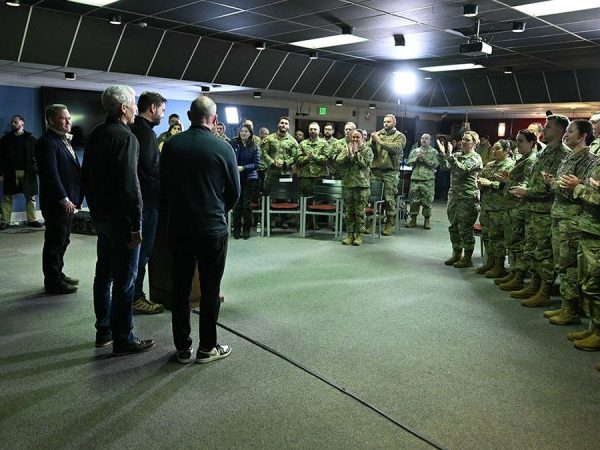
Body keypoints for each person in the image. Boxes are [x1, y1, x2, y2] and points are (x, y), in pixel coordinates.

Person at [160, 96, 240, 364]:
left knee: (180, 288)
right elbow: (234, 192)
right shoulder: (223, 147)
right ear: (214, 119)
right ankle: (207, 348)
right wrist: (217, 209)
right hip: (212, 229)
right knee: (210, 289)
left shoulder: (171, 145)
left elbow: (163, 187)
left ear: (188, 116)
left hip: (179, 227)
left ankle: (182, 348)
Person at [82, 85, 154, 354]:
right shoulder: (126, 138)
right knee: (125, 281)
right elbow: (130, 186)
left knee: (103, 276)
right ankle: (124, 338)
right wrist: (136, 225)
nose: (135, 108)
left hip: (102, 218)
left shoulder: (96, 134)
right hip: (123, 222)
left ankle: (104, 332)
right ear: (123, 108)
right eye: (133, 104)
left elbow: (86, 177)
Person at [509, 115, 571, 308]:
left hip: (545, 211)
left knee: (544, 253)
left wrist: (527, 191)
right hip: (532, 208)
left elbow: (550, 186)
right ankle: (534, 286)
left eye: (548, 127)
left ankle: (544, 292)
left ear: (560, 130)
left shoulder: (563, 154)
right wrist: (525, 189)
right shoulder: (544, 152)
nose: (544, 130)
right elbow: (534, 178)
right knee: (532, 250)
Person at [542, 120, 596, 325]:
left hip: (572, 219)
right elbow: (564, 186)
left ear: (582, 136)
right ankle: (566, 305)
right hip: (559, 215)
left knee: (570, 266)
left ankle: (571, 309)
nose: (566, 134)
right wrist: (553, 183)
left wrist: (559, 185)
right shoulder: (569, 157)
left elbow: (577, 191)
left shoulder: (589, 159)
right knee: (561, 265)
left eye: (571, 131)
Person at [560, 133, 600, 358]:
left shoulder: (591, 158)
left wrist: (578, 187)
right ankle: (594, 329)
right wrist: (584, 186)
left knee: (594, 285)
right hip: (590, 227)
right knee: (588, 283)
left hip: (595, 229)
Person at [35, 105, 82, 294]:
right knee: (55, 243)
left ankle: (58, 274)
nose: (69, 121)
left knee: (63, 240)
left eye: (69, 118)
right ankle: (52, 281)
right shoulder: (47, 142)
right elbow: (50, 174)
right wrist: (64, 199)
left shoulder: (63, 140)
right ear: (51, 120)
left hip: (68, 201)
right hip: (57, 203)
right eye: (64, 118)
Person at [129, 91, 167, 315]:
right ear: (152, 108)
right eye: (162, 110)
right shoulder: (146, 134)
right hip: (148, 202)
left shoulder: (131, 129)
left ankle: (131, 295)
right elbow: (153, 169)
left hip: (136, 200)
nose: (162, 114)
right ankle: (136, 298)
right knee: (142, 253)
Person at [495, 129, 538, 292]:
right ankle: (513, 273)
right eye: (517, 141)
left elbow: (526, 184)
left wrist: (509, 181)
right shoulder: (523, 159)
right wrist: (507, 180)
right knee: (512, 242)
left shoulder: (531, 160)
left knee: (518, 243)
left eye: (521, 141)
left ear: (531, 143)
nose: (517, 144)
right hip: (511, 204)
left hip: (519, 206)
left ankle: (519, 277)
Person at [439, 131, 483, 268]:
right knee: (453, 227)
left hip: (467, 197)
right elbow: (444, 167)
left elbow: (462, 170)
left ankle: (467, 257)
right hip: (454, 196)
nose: (463, 142)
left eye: (467, 140)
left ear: (474, 143)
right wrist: (443, 154)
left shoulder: (475, 158)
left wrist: (450, 157)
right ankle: (456, 253)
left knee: (465, 228)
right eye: (463, 139)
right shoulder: (458, 155)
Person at [475, 140, 515, 278]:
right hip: (487, 205)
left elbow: (509, 185)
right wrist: (480, 183)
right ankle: (490, 262)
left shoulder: (510, 165)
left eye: (497, 149)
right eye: (493, 149)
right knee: (487, 235)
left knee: (498, 237)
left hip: (500, 207)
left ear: (506, 151)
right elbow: (481, 178)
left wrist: (490, 183)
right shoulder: (489, 165)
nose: (494, 151)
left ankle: (499, 266)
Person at [368, 114, 406, 236]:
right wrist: (372, 141)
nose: (386, 123)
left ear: (394, 123)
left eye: (388, 122)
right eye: (384, 121)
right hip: (376, 170)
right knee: (373, 198)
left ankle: (389, 222)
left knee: (389, 198)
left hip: (390, 171)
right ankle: (373, 222)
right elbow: (368, 148)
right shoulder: (378, 134)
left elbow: (396, 148)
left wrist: (380, 141)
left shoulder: (399, 136)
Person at [0, 114, 40, 228]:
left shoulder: (31, 139)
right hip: (10, 172)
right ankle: (5, 221)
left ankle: (32, 220)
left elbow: (39, 156)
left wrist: (37, 170)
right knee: (7, 197)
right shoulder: (5, 140)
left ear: (22, 123)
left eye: (15, 122)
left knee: (30, 197)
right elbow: (0, 157)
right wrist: (0, 172)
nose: (13, 124)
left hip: (28, 172)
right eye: (12, 122)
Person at [336, 129, 373, 246]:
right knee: (349, 212)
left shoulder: (367, 150)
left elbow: (366, 164)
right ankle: (350, 235)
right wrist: (349, 154)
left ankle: (359, 235)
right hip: (348, 184)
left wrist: (356, 154)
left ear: (363, 138)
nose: (355, 139)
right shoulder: (347, 148)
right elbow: (338, 161)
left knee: (359, 212)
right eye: (353, 137)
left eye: (357, 137)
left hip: (361, 185)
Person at [230, 124, 260, 239]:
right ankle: (237, 228)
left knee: (247, 205)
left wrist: (243, 168)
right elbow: (229, 159)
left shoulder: (254, 146)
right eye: (242, 131)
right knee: (237, 205)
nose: (243, 133)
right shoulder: (233, 144)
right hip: (236, 178)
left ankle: (246, 229)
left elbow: (256, 164)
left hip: (249, 179)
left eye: (246, 131)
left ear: (250, 133)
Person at [406, 133, 439, 229]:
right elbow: (409, 162)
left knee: (427, 201)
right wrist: (416, 158)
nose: (424, 140)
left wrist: (425, 159)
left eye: (426, 139)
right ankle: (413, 219)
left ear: (430, 141)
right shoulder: (415, 151)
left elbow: (435, 164)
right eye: (422, 138)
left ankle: (427, 220)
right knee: (414, 200)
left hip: (427, 180)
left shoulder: (434, 152)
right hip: (415, 179)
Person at [260, 116, 298, 190]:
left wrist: (285, 163)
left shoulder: (293, 141)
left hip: (286, 172)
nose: (284, 125)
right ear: (278, 124)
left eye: (286, 123)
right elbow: (264, 153)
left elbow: (295, 156)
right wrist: (273, 162)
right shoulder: (269, 138)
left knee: (285, 193)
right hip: (271, 172)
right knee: (268, 193)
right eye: (282, 123)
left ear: (289, 126)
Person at [296, 122, 331, 196]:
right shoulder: (302, 143)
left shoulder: (325, 144)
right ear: (308, 130)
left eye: (315, 129)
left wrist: (315, 157)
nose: (313, 131)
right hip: (306, 176)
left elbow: (327, 159)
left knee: (320, 198)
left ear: (319, 131)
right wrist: (307, 158)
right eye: (311, 129)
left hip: (320, 176)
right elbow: (298, 159)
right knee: (306, 198)